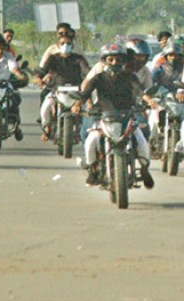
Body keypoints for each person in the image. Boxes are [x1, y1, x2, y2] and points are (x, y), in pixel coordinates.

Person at [73, 43, 153, 188]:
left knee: (141, 140)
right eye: (111, 59)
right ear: (104, 60)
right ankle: (93, 170)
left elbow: (140, 91)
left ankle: (145, 169)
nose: (115, 63)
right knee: (91, 140)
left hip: (127, 115)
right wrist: (78, 104)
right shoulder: (98, 78)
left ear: (124, 61)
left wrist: (149, 101)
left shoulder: (130, 77)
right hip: (103, 116)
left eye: (118, 60)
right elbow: (85, 93)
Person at [35, 35, 90, 141]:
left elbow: (86, 71)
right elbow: (43, 70)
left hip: (76, 92)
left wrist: (89, 78)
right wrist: (38, 78)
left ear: (72, 45)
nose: (65, 46)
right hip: (56, 90)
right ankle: (47, 129)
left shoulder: (78, 59)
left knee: (86, 112)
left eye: (68, 44)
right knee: (45, 108)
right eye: (62, 43)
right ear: (58, 45)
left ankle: (82, 132)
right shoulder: (53, 58)